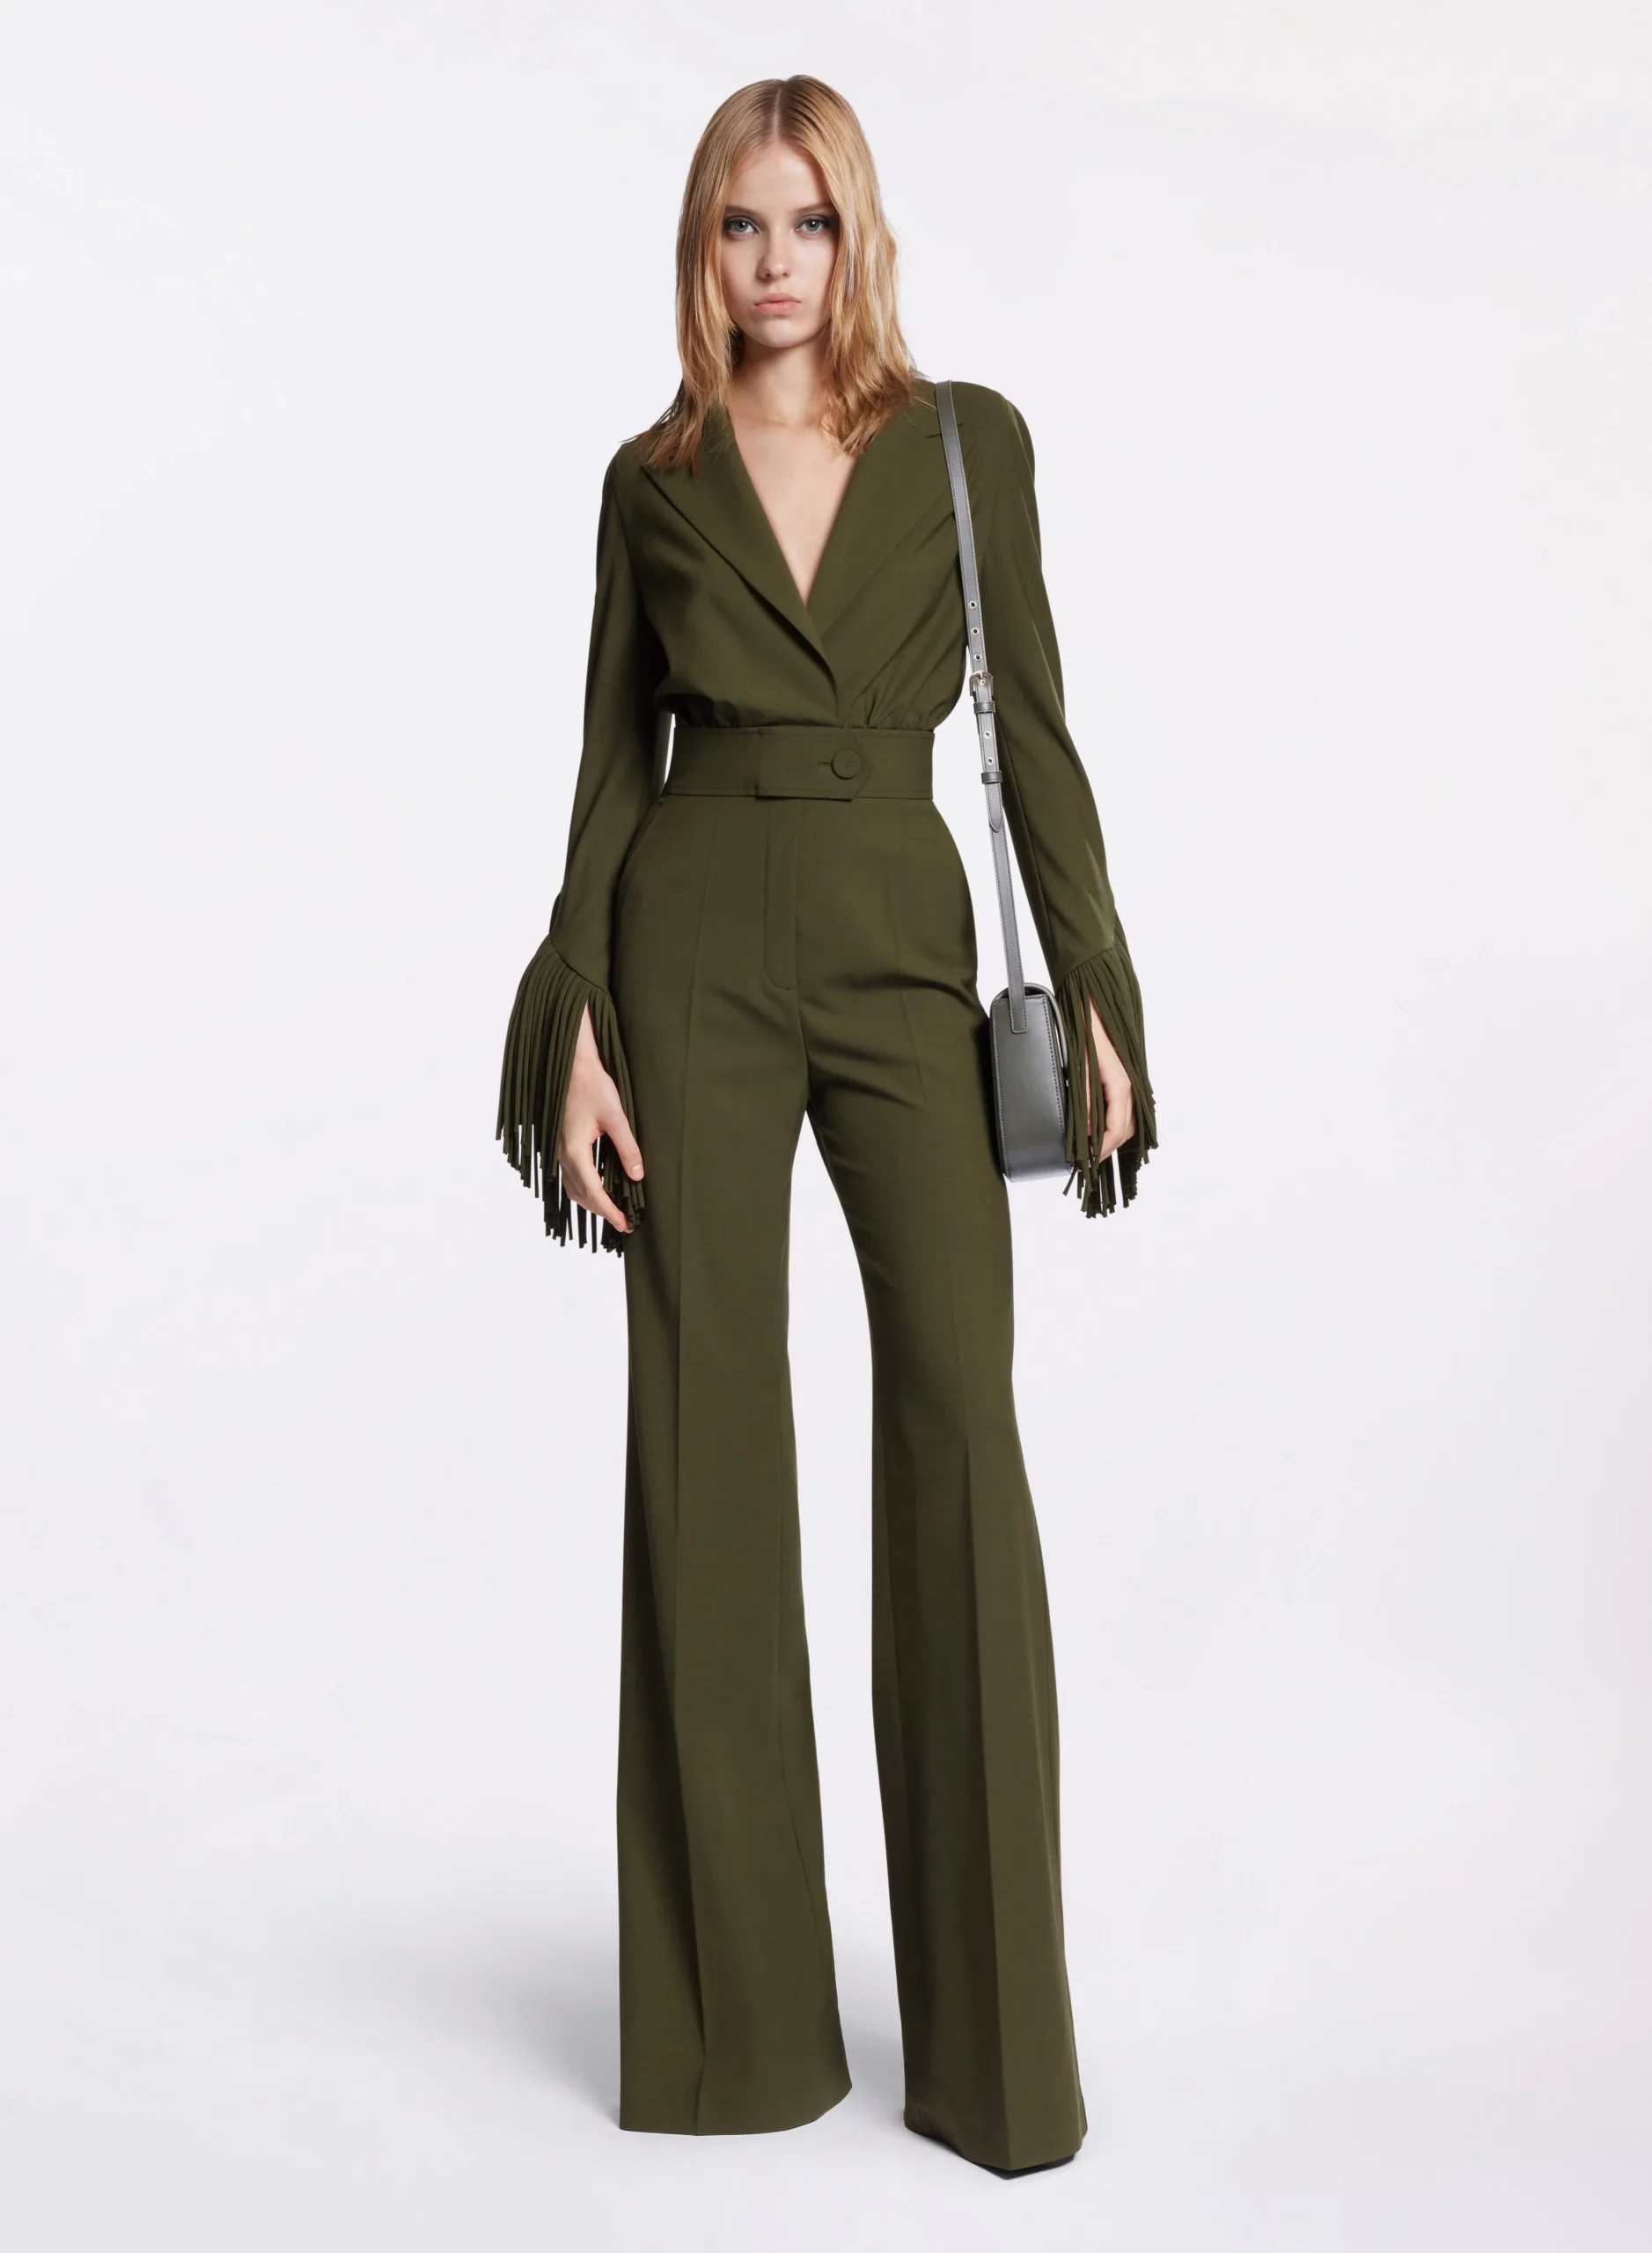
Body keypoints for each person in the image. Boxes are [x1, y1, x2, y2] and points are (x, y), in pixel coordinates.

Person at [496, 73, 1156, 2176]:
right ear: (698, 249)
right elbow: (610, 766)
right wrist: (572, 1017)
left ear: (855, 236)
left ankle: (994, 2057)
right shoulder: (651, 480)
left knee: (955, 1415)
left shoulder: (966, 448)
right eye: (736, 225)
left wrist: (1095, 981)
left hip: (894, 947)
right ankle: (732, 2039)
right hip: (686, 943)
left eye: (803, 223)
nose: (771, 262)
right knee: (704, 1441)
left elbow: (1033, 725)